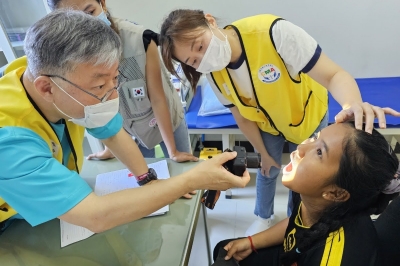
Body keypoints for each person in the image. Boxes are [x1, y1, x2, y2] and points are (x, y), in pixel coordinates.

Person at [0, 10, 250, 234]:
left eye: (115, 80)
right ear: (46, 87)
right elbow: (95, 216)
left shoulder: (41, 73)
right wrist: (192, 179)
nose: (113, 95)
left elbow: (112, 133)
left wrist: (147, 179)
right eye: (100, 85)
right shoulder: (9, 141)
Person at [159, 9, 400, 235]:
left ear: (209, 20)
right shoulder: (214, 72)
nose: (203, 59)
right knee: (268, 169)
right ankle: (263, 217)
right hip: (268, 126)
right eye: (193, 61)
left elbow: (333, 75)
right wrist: (263, 152)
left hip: (307, 121)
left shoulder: (274, 33)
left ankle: (293, 222)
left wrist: (351, 105)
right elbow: (241, 116)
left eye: (200, 46)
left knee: (304, 180)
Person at [212, 122, 399, 266]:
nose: (300, 148)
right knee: (224, 249)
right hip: (293, 253)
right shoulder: (315, 195)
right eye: (316, 137)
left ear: (336, 193)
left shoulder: (333, 257)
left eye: (319, 152)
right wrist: (251, 242)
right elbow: (297, 222)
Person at [48, 0, 198, 166]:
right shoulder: (76, 54)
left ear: (102, 3)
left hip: (165, 118)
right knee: (145, 177)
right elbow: (99, 104)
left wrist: (173, 151)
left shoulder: (141, 39)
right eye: (75, 19)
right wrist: (110, 147)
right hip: (129, 128)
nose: (86, 24)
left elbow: (158, 98)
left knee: (183, 167)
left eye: (90, 12)